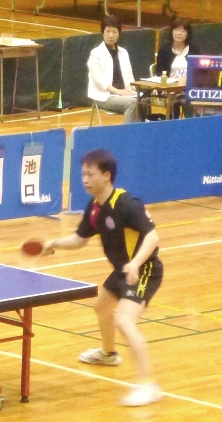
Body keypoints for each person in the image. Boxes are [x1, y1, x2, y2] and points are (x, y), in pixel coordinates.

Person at [38, 149, 163, 407]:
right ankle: (108, 354)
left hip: (144, 270)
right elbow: (80, 239)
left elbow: (152, 236)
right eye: (83, 174)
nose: (85, 179)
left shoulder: (126, 203)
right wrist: (55, 243)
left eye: (90, 174)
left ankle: (148, 386)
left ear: (106, 175)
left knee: (124, 321)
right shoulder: (95, 207)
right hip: (123, 269)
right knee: (102, 307)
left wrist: (135, 264)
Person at [88, 15, 141, 124]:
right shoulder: (95, 53)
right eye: (108, 31)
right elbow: (99, 81)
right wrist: (118, 92)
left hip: (124, 93)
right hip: (104, 96)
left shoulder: (124, 52)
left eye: (114, 32)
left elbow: (130, 76)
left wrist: (129, 88)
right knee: (132, 103)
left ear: (119, 34)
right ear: (103, 33)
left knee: (145, 101)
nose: (111, 35)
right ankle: (127, 132)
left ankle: (143, 132)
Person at [156, 18, 200, 119]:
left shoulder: (194, 49)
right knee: (175, 101)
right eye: (176, 30)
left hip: (188, 89)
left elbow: (199, 72)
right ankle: (173, 124)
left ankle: (190, 124)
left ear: (188, 33)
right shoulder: (164, 50)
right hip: (170, 89)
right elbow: (159, 73)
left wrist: (187, 81)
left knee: (188, 100)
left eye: (183, 31)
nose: (179, 33)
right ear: (171, 32)